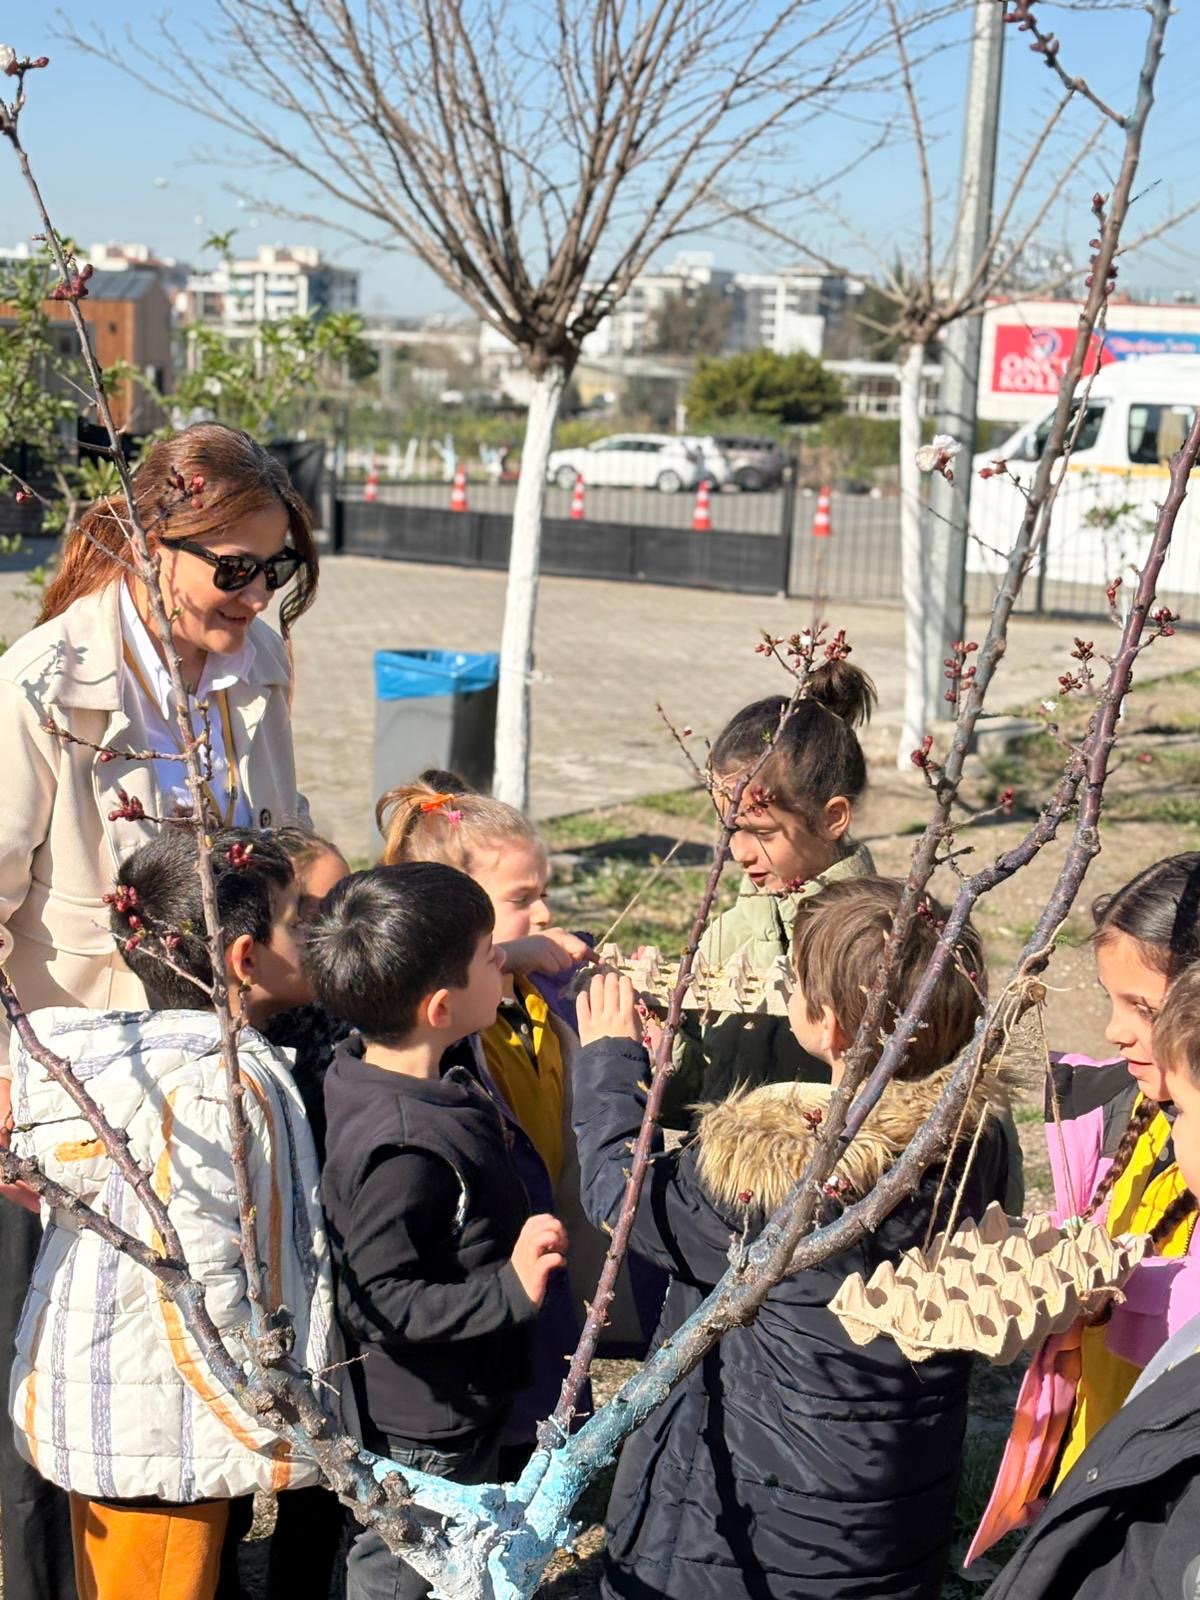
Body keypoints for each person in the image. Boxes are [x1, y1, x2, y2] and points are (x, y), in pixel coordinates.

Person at [0, 423, 319, 1600]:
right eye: (230, 567)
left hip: (210, 1080)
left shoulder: (257, 671)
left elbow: (276, 846)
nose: (254, 594)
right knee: (61, 1408)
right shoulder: (44, 687)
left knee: (189, 1393)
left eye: (273, 568)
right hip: (78, 1097)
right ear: (148, 545)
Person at [573, 876, 1014, 1600]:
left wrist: (611, 1061)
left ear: (831, 1026)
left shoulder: (765, 1174)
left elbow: (627, 1203)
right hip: (883, 1519)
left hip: (740, 1534)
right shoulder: (971, 1137)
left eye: (799, 980)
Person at [7, 828, 341, 1600]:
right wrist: (274, 1413)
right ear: (244, 959)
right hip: (161, 1426)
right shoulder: (219, 1086)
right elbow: (206, 1275)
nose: (318, 935)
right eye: (299, 920)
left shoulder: (148, 1060)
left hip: (136, 1408)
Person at [306, 863, 568, 1600]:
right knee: (404, 1566)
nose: (503, 964)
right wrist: (509, 1288)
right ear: (442, 1007)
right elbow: (380, 1300)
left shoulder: (380, 1065)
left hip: (453, 1396)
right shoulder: (401, 1147)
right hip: (427, 1429)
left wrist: (507, 955)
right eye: (492, 954)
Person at [968, 853, 1200, 1566]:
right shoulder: (1127, 1116)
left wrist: (1107, 1291)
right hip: (1096, 1453)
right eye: (1110, 1000)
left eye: (1141, 1007)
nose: (1112, 1030)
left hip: (1162, 1507)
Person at [661, 661, 877, 1128]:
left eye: (761, 832)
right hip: (718, 1185)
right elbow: (685, 1098)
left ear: (833, 817)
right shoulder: (727, 934)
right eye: (730, 830)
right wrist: (663, 1038)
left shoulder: (878, 939)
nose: (740, 852)